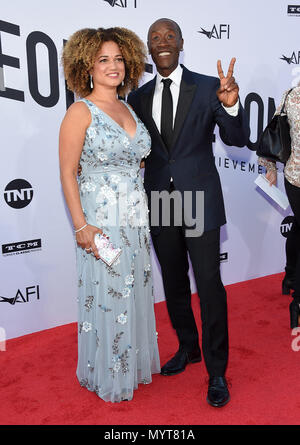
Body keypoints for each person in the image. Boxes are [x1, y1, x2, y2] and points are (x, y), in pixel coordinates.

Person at [128, 18, 250, 407]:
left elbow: (236, 139)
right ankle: (188, 347)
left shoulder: (209, 87)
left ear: (181, 43)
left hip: (198, 197)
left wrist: (231, 107)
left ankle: (217, 371)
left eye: (169, 37)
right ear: (149, 49)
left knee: (210, 286)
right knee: (175, 283)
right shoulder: (139, 97)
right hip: (160, 199)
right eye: (154, 39)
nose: (162, 43)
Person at [59, 27, 160, 403]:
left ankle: (128, 365)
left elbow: (136, 163)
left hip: (135, 220)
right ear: (86, 65)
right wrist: (81, 226)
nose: (113, 66)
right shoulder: (79, 111)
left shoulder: (129, 107)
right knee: (108, 293)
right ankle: (107, 372)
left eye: (118, 58)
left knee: (132, 290)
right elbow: (68, 172)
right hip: (102, 222)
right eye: (103, 59)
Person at [258, 85, 300, 329]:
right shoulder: (293, 94)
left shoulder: (292, 93)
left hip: (293, 177)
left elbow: (272, 130)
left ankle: (290, 275)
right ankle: (298, 303)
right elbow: (274, 131)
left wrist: (271, 167)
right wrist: (270, 169)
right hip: (296, 178)